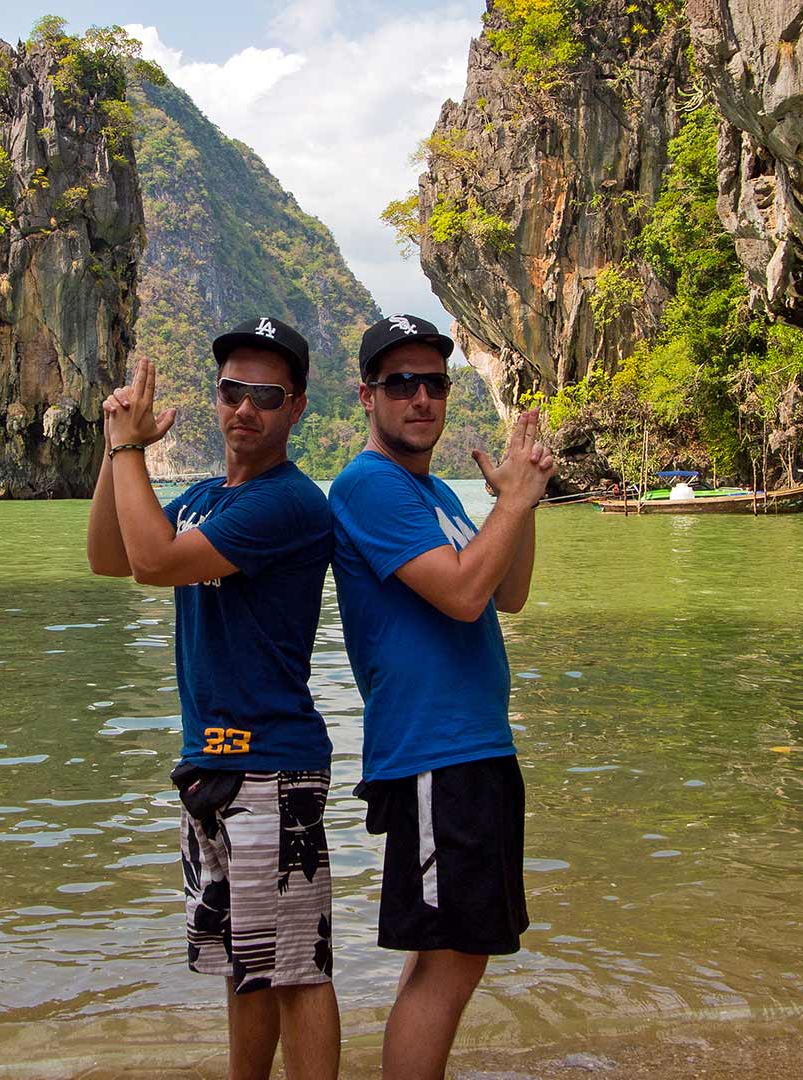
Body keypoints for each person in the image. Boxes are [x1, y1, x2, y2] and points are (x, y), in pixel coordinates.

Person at [85, 317, 339, 1080]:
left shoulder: (290, 504)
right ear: (216, 395)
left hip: (273, 772)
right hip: (213, 770)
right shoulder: (203, 498)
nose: (245, 410)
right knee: (244, 963)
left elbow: (155, 563)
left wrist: (133, 450)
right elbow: (110, 556)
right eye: (233, 391)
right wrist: (115, 446)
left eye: (267, 395)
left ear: (296, 407)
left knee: (296, 969)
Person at [327, 313, 556, 1078]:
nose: (420, 398)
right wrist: (511, 505)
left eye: (433, 383)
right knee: (453, 960)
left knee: (448, 956)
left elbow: (510, 593)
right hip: (436, 756)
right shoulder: (369, 487)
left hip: (476, 750)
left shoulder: (435, 497)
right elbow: (462, 595)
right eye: (401, 384)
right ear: (367, 396)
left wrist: (515, 503)